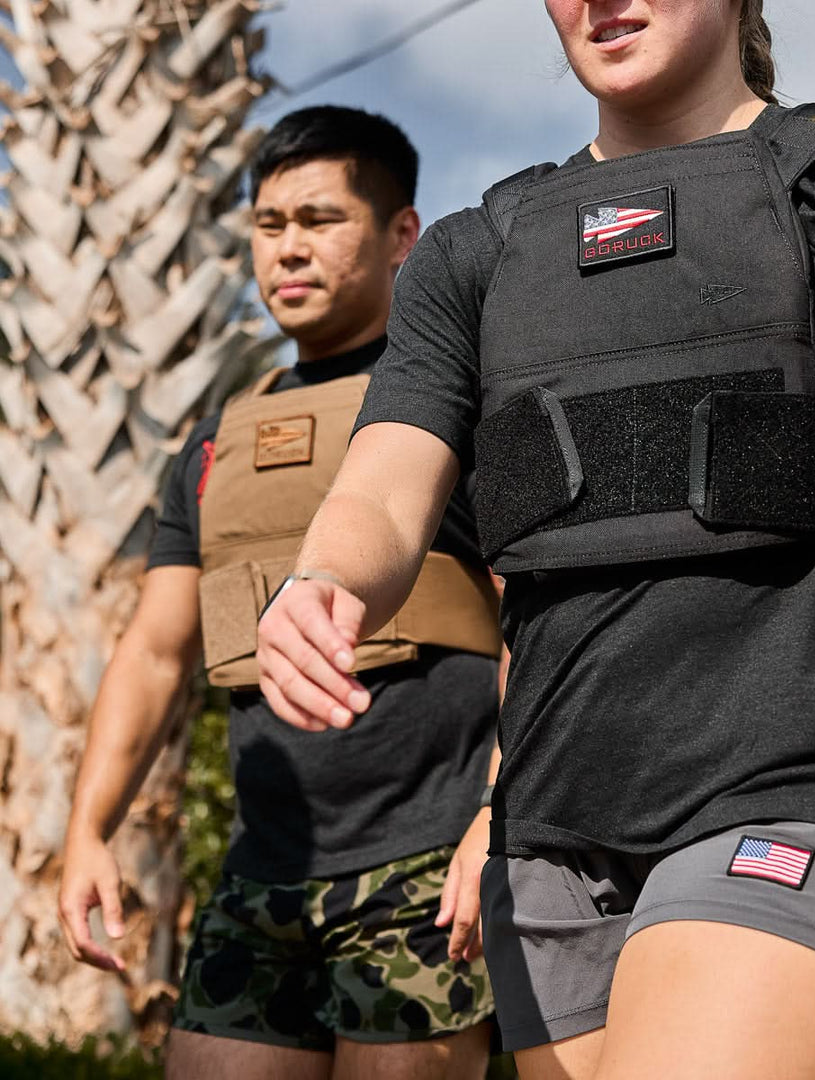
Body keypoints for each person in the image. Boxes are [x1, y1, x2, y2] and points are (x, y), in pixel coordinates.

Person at [255, 4, 815, 1079]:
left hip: (806, 777)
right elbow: (382, 490)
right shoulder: (476, 253)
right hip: (548, 835)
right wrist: (324, 580)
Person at [58, 106, 503, 1080]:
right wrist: (89, 830)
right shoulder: (218, 442)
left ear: (401, 236)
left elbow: (541, 622)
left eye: (319, 220)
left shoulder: (454, 411)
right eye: (268, 227)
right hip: (263, 874)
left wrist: (495, 821)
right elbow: (156, 650)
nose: (288, 251)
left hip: (427, 871)